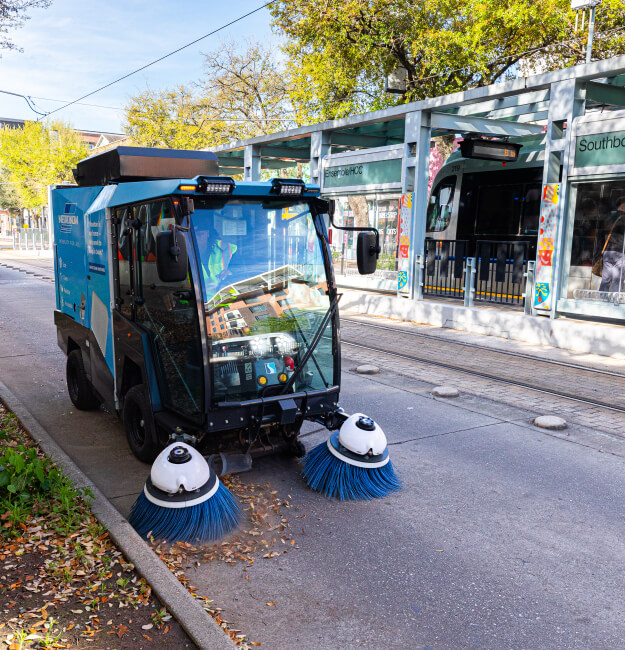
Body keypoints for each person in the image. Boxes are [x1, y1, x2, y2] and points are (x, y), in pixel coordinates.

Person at [197, 227, 238, 298]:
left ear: (207, 233)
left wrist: (230, 275)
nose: (196, 239)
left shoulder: (227, 249)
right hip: (198, 303)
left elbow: (244, 273)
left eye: (200, 234)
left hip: (226, 302)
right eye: (194, 235)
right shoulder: (182, 254)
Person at [599, 196, 625, 293]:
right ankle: (615, 303)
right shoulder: (623, 218)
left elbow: (602, 234)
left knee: (606, 280)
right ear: (623, 206)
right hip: (620, 252)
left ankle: (602, 300)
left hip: (607, 251)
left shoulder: (609, 218)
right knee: (617, 280)